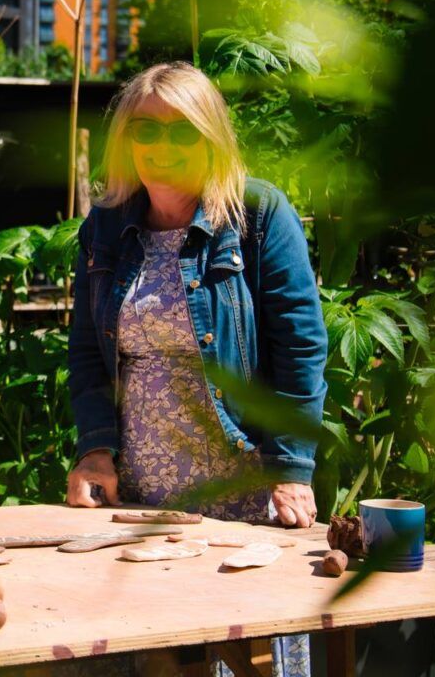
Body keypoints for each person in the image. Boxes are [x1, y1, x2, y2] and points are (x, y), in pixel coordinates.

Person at [64, 61, 325, 676]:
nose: (162, 147)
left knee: (253, 656)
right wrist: (96, 452)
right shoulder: (104, 225)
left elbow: (300, 348)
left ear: (211, 135)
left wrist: (291, 469)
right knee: (160, 657)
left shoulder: (257, 215)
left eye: (183, 131)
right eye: (146, 131)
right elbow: (85, 354)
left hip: (245, 485)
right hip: (147, 498)